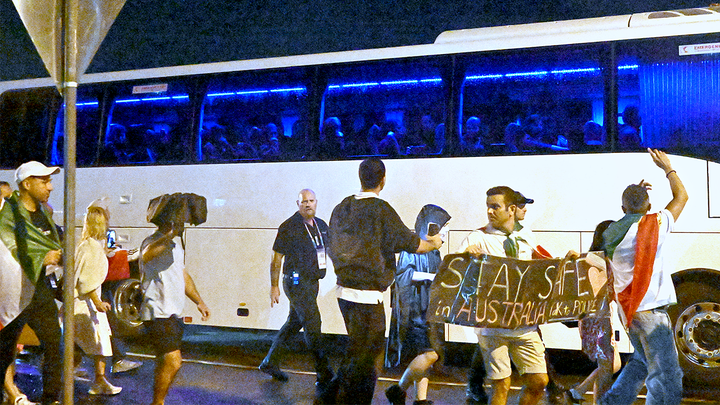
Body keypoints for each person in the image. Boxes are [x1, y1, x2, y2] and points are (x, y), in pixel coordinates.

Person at [326, 157, 443, 404]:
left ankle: (329, 396)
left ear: (360, 177)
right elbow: (412, 244)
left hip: (344, 293)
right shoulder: (381, 210)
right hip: (368, 296)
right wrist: (434, 242)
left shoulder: (342, 207)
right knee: (370, 362)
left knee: (356, 352)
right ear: (383, 179)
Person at [599, 148, 687, 405]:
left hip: (629, 311)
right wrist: (667, 168)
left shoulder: (610, 231)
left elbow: (629, 216)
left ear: (622, 207)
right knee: (667, 375)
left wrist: (634, 194)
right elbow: (682, 196)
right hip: (651, 313)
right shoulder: (654, 224)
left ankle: (611, 402)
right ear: (648, 206)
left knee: (640, 362)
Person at [457, 186, 552, 405]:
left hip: (524, 322)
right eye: (488, 207)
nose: (490, 211)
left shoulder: (526, 235)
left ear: (511, 209)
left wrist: (567, 263)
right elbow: (454, 271)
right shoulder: (478, 237)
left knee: (538, 380)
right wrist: (466, 257)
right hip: (492, 324)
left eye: (495, 207)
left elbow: (542, 265)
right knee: (501, 385)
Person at [0, 161, 63, 405]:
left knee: (55, 343)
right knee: (5, 350)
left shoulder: (45, 213)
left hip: (39, 288)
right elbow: (8, 251)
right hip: (14, 292)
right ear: (26, 184)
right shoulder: (10, 214)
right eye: (44, 181)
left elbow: (52, 242)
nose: (50, 186)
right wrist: (40, 257)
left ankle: (52, 398)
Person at [259, 189, 334, 389]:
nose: (308, 204)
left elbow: (330, 251)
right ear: (297, 203)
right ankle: (324, 373)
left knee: (294, 322)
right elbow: (276, 258)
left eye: (311, 201)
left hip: (312, 282)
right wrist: (274, 286)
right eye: (304, 202)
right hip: (296, 282)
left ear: (316, 202)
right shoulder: (289, 226)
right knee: (313, 323)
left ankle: (270, 362)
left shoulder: (321, 226)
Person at [384, 204, 451, 405]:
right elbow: (404, 276)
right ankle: (398, 389)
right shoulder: (411, 249)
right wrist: (432, 278)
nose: (444, 235)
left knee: (425, 355)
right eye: (441, 230)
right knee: (430, 353)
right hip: (415, 309)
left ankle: (420, 398)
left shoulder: (434, 253)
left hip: (429, 309)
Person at [140, 219, 211, 405]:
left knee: (165, 362)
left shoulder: (175, 246)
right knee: (173, 361)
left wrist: (199, 301)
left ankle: (158, 401)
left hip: (172, 312)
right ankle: (157, 403)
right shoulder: (152, 241)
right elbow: (146, 256)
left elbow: (182, 275)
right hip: (157, 311)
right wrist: (169, 234)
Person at [565, 220, 621, 405]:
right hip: (597, 320)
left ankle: (578, 392)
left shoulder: (604, 259)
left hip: (596, 319)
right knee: (607, 364)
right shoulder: (596, 260)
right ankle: (597, 401)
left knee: (611, 364)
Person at [71, 201, 122, 395]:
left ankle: (84, 377)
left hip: (80, 303)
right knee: (99, 342)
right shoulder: (91, 248)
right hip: (86, 304)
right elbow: (87, 280)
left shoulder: (88, 245)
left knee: (80, 342)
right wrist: (98, 302)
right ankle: (99, 381)